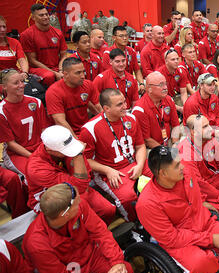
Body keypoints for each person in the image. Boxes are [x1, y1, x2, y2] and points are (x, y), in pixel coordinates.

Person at [136, 145, 219, 273]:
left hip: (205, 223)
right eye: (177, 165)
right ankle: (211, 269)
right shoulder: (147, 204)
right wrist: (210, 239)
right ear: (163, 173)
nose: (183, 166)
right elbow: (171, 238)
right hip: (180, 240)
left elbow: (201, 188)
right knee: (205, 263)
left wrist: (211, 200)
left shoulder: (186, 173)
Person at [22, 183, 135, 273]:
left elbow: (101, 233)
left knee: (125, 271)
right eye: (77, 203)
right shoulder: (36, 243)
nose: (80, 202)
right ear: (65, 215)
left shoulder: (78, 207)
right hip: (67, 271)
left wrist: (117, 262)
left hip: (88, 256)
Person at [80, 89, 151, 222]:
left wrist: (140, 165)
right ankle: (135, 224)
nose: (125, 106)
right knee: (127, 197)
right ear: (106, 108)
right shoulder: (90, 129)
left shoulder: (131, 118)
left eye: (124, 102)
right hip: (112, 170)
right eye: (120, 104)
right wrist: (107, 170)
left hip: (136, 162)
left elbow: (140, 146)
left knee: (162, 175)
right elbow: (85, 160)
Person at [25, 125, 116, 223]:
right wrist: (78, 155)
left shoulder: (70, 145)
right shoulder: (36, 168)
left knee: (108, 210)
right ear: (50, 150)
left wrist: (77, 153)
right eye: (66, 150)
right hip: (51, 200)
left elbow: (85, 179)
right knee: (79, 220)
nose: (72, 151)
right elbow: (79, 186)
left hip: (78, 189)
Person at [0, 69, 51, 179]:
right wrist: (33, 156)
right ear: (4, 87)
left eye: (22, 81)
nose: (21, 85)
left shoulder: (35, 102)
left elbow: (44, 131)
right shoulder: (2, 111)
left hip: (40, 148)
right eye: (16, 83)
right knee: (36, 175)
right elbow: (11, 144)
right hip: (16, 154)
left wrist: (44, 152)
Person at [46, 57, 101, 137]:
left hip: (85, 130)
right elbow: (60, 121)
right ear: (65, 74)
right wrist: (77, 141)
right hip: (64, 135)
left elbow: (99, 108)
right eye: (78, 73)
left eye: (83, 72)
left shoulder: (88, 85)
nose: (83, 76)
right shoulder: (54, 92)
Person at [20, 4, 68, 87]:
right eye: (41, 15)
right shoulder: (26, 34)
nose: (45, 17)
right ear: (33, 17)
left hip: (57, 68)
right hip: (37, 69)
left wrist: (60, 70)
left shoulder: (58, 33)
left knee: (75, 72)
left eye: (46, 14)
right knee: (49, 76)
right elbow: (32, 61)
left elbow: (64, 55)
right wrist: (55, 73)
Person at [131, 72, 180, 149]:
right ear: (149, 89)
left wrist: (175, 144)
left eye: (165, 84)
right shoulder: (140, 109)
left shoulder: (169, 99)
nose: (165, 88)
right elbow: (147, 140)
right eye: (161, 85)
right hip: (151, 148)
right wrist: (166, 152)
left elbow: (176, 125)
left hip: (169, 141)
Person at [182, 73, 219, 138]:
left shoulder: (214, 98)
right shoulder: (191, 103)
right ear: (201, 85)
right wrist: (212, 132)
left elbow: (217, 116)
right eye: (209, 85)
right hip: (199, 133)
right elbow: (193, 128)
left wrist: (218, 128)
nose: (213, 88)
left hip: (213, 128)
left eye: (214, 84)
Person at [102, 26, 144, 94]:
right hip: (115, 88)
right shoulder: (108, 54)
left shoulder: (131, 51)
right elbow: (109, 76)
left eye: (126, 35)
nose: (124, 38)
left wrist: (141, 84)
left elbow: (137, 70)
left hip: (130, 84)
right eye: (121, 36)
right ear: (114, 38)